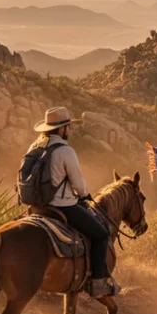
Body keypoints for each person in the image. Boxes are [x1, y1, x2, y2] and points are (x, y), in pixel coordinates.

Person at [32, 107, 116, 295]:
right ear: (61, 130)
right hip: (62, 206)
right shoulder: (65, 151)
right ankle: (98, 282)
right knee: (101, 235)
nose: (69, 130)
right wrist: (85, 194)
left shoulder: (35, 147)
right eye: (68, 126)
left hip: (37, 207)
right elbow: (77, 182)